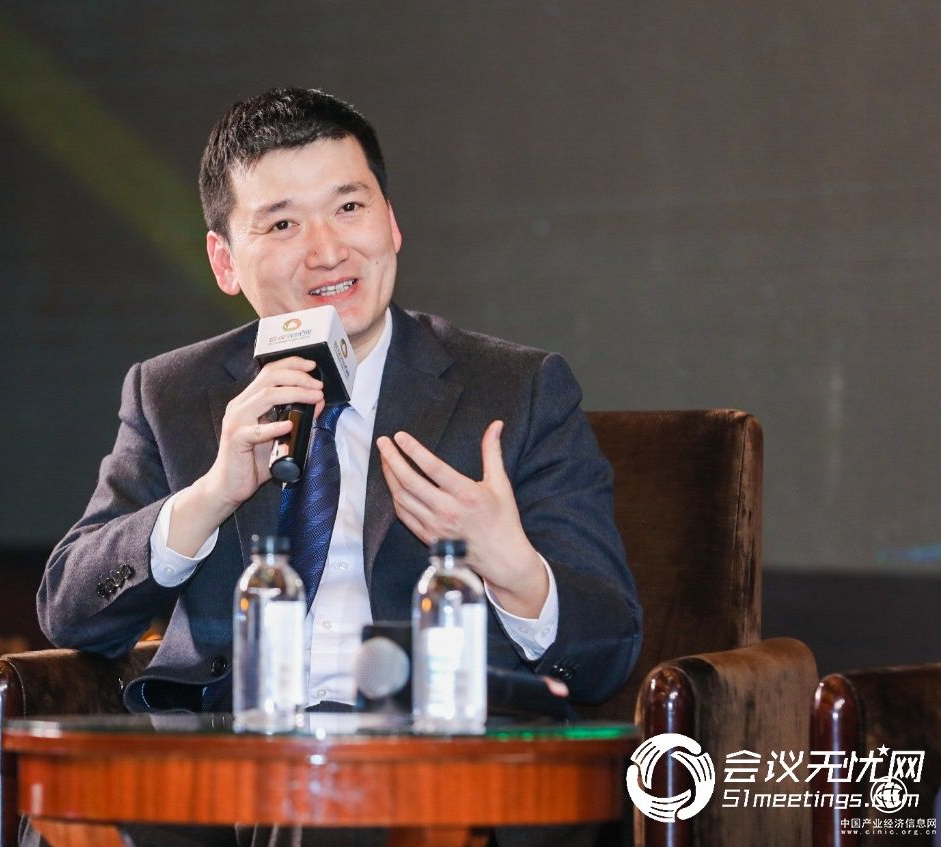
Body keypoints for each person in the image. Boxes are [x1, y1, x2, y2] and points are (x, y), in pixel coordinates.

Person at [33, 88, 641, 846]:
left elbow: (607, 650)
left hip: (427, 772)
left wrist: (511, 565)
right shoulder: (173, 393)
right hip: (219, 768)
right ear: (225, 260)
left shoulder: (514, 390)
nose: (326, 251)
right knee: (65, 815)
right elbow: (70, 609)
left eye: (349, 208)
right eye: (282, 224)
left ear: (391, 223)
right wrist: (211, 494)